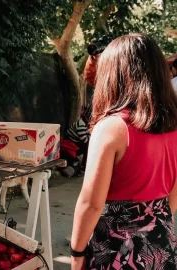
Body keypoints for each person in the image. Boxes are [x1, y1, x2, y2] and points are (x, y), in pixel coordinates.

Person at [70, 33, 177, 269]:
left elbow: (91, 204)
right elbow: (173, 195)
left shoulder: (111, 128)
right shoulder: (174, 124)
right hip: (162, 243)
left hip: (117, 248)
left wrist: (76, 254)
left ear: (113, 75)